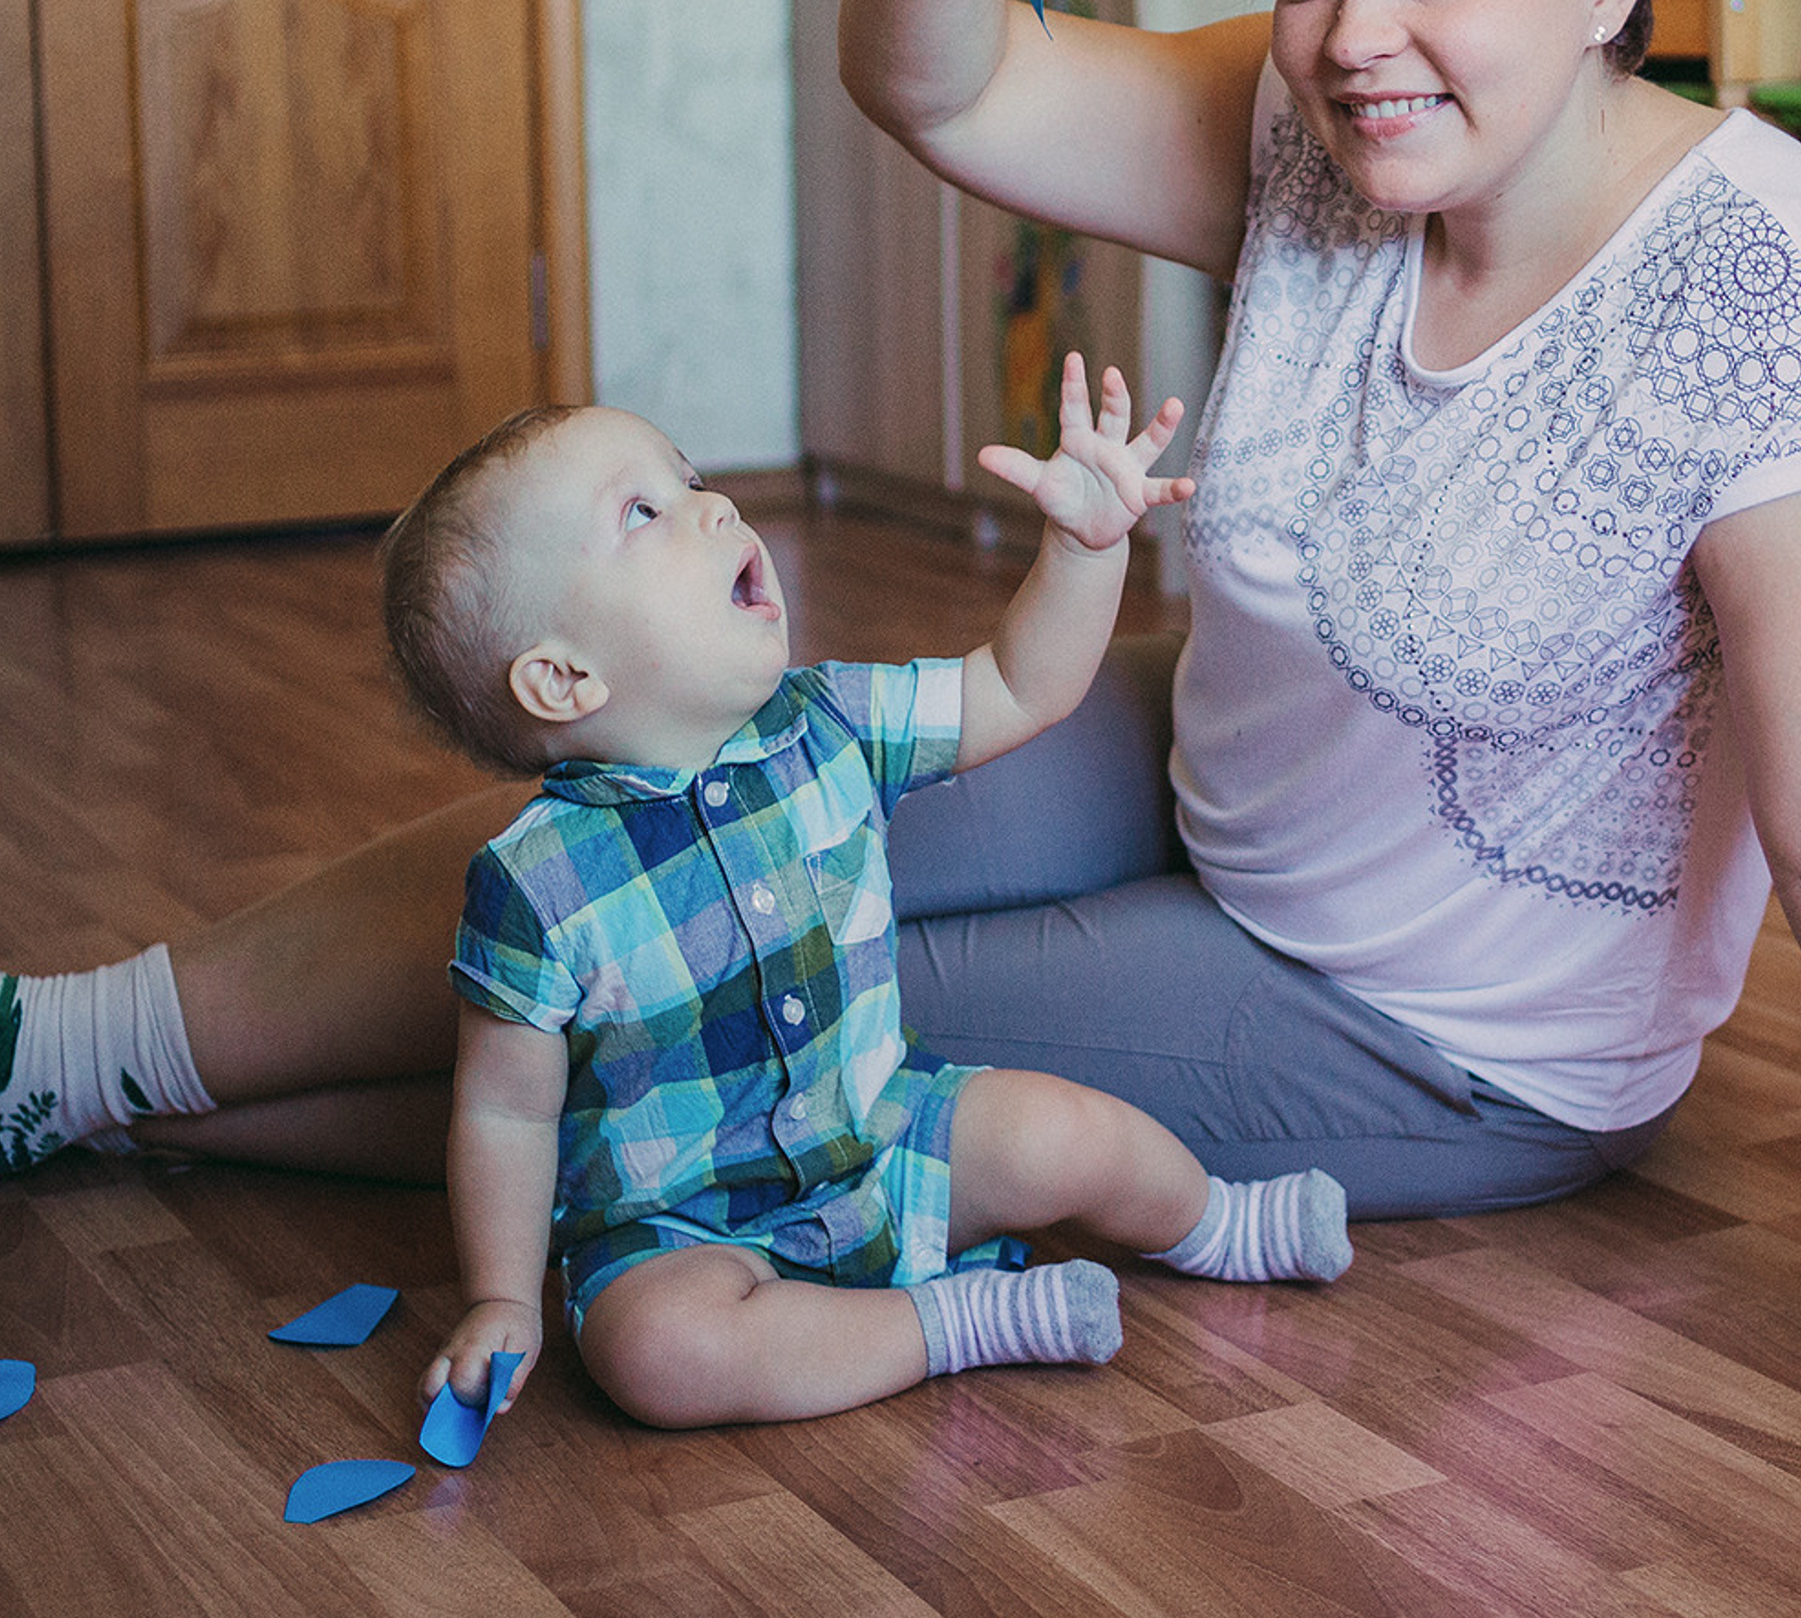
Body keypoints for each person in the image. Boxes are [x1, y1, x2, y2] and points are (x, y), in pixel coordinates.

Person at [2, 0, 1801, 1469]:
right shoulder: (1313, 123)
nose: (1354, 36)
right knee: (669, 798)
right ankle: (69, 1046)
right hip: (1189, 747)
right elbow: (935, 76)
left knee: (756, 1044)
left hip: (1436, 1029)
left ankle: (128, 1102)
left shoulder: (1749, 283)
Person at [389, 369, 1349, 1434]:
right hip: (689, 1234)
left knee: (1063, 1134)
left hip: (884, 1136)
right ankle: (959, 1324)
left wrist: (1084, 548)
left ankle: (1215, 1225)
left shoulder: (830, 721)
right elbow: (505, 1111)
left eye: (691, 476)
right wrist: (502, 1298)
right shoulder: (534, 884)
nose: (714, 505)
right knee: (653, 1353)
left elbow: (1020, 685)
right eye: (643, 512)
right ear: (564, 681)